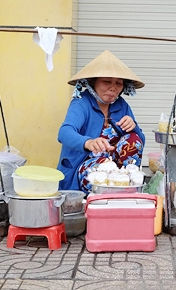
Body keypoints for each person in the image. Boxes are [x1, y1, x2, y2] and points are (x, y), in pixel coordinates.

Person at [57, 50, 145, 192]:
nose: (113, 88)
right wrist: (89, 142)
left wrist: (133, 126)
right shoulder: (81, 104)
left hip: (117, 169)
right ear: (93, 83)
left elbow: (139, 141)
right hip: (84, 167)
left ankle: (126, 191)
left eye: (118, 83)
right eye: (106, 82)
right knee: (102, 169)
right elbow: (64, 133)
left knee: (133, 139)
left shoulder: (121, 105)